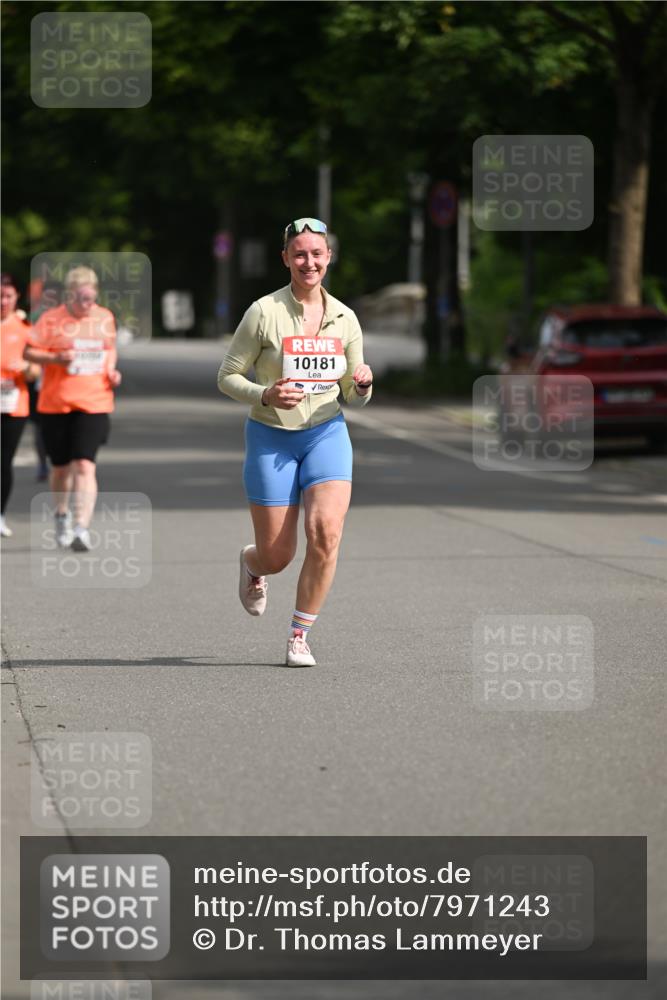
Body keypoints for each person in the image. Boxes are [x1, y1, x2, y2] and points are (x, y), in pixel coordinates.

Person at [218, 217, 373, 667]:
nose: (309, 262)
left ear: (329, 258)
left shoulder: (345, 318)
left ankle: (299, 634)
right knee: (278, 555)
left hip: (326, 432)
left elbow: (352, 394)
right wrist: (265, 393)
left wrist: (362, 385)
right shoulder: (263, 311)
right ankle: (253, 564)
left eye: (317, 254)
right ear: (285, 258)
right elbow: (227, 376)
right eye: (300, 254)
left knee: (325, 532)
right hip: (271, 436)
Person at [24, 265, 122, 550]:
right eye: (81, 299)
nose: (86, 304)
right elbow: (29, 351)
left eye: (90, 298)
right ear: (69, 296)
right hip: (56, 403)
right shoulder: (51, 319)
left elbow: (109, 348)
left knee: (84, 464)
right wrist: (55, 359)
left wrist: (112, 370)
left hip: (95, 401)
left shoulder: (104, 317)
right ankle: (61, 514)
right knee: (60, 469)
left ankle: (81, 527)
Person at [1, 274, 41, 537]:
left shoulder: (26, 328)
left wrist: (26, 367)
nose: (3, 301)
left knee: (3, 462)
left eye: (8, 296)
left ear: (16, 297)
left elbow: (36, 372)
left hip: (13, 404)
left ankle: (0, 513)